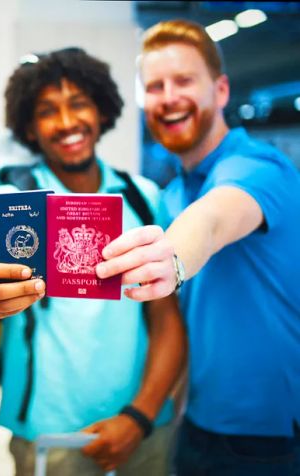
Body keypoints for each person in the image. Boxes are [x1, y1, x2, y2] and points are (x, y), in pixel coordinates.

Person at [0, 48, 186, 475]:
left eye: (79, 103)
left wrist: (139, 417)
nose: (66, 123)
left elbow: (166, 318)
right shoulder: (14, 200)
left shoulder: (142, 197)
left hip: (144, 426)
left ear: (102, 109)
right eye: (48, 111)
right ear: (29, 126)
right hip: (51, 433)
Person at [94, 19, 300, 475]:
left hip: (268, 442)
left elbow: (213, 219)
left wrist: (170, 257)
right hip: (195, 427)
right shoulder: (170, 195)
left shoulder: (260, 167)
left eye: (184, 81)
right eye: (154, 86)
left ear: (221, 90)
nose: (168, 97)